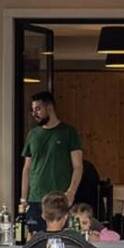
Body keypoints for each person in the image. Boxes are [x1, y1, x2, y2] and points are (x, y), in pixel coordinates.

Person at [20, 92, 83, 233]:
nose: (34, 113)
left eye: (38, 109)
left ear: (49, 108)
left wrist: (71, 192)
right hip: (36, 198)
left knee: (64, 239)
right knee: (35, 240)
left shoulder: (68, 132)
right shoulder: (32, 134)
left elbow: (78, 166)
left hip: (60, 198)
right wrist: (23, 200)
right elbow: (27, 169)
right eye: (33, 110)